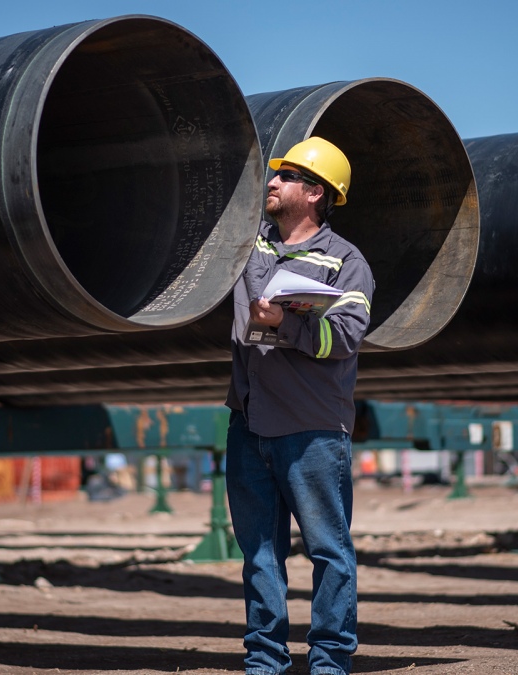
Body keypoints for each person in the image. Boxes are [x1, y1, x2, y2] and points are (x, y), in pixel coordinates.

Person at [225, 136, 374, 675]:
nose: (272, 182)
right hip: (248, 423)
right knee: (259, 552)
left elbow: (347, 337)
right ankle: (265, 659)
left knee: (328, 551)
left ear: (314, 193)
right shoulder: (249, 246)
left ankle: (330, 659)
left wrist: (284, 324)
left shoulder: (345, 263)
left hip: (311, 431)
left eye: (285, 176)